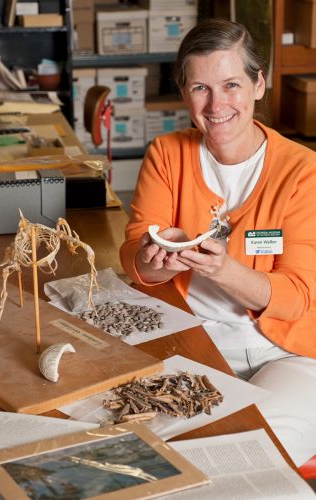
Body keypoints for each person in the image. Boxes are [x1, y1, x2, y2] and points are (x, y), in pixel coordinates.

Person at [120, 18, 316, 468]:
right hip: (192, 346)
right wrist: (159, 261)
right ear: (185, 93)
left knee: (245, 456)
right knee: (148, 455)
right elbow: (135, 259)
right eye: (200, 88)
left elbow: (299, 297)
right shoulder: (167, 154)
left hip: (292, 353)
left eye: (231, 84)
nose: (216, 104)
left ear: (258, 84)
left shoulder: (302, 171)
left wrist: (222, 269)